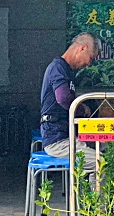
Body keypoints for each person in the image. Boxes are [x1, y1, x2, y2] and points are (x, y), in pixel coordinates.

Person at [39, 32, 101, 172]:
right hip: (58, 140)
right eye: (90, 58)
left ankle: (94, 193)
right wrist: (81, 109)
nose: (88, 63)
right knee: (102, 163)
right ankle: (95, 195)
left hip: (69, 135)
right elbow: (63, 99)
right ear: (82, 48)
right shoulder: (58, 68)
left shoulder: (66, 70)